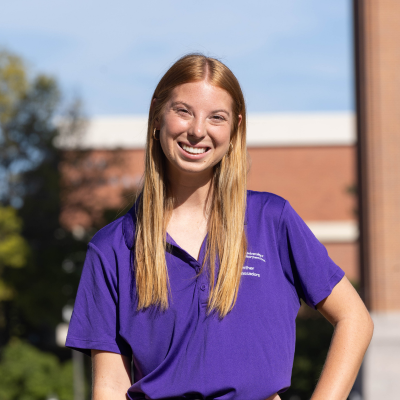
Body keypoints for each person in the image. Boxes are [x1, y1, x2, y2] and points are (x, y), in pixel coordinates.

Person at [66, 53, 374, 400]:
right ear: (157, 114)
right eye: (183, 111)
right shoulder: (112, 247)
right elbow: (109, 387)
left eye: (217, 117)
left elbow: (355, 319)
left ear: (235, 127)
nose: (198, 131)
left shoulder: (272, 221)